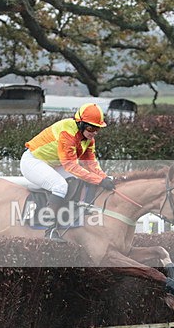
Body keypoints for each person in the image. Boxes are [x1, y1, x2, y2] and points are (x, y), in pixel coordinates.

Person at [20, 103, 115, 241]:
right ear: (80, 124)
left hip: (53, 164)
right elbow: (71, 166)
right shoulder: (67, 133)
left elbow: (91, 164)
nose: (94, 132)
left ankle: (68, 215)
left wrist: (105, 178)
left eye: (97, 129)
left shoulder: (89, 139)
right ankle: (50, 230)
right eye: (90, 128)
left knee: (79, 180)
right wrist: (99, 180)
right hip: (33, 161)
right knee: (60, 186)